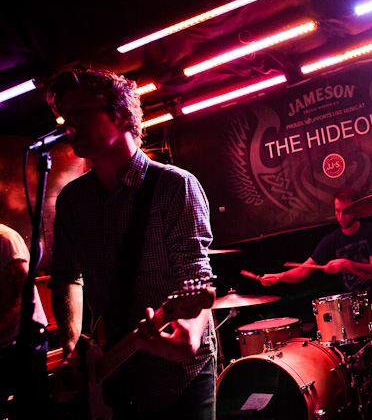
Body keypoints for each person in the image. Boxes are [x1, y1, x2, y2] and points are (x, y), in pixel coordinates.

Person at [48, 68, 217, 419]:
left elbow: (195, 275)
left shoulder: (174, 186)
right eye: (65, 115)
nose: (69, 125)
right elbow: (67, 276)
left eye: (81, 111)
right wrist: (70, 348)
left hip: (179, 376)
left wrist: (190, 331)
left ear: (121, 115)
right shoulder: (71, 201)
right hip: (113, 371)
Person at [260, 189, 372, 303]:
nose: (341, 216)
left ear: (355, 210)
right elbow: (302, 271)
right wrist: (279, 276)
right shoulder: (331, 241)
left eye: (345, 211)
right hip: (353, 306)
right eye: (337, 211)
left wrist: (345, 263)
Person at [0, 223, 49, 418]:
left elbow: (23, 292)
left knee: (30, 409)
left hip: (23, 339)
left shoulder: (5, 239)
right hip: (6, 342)